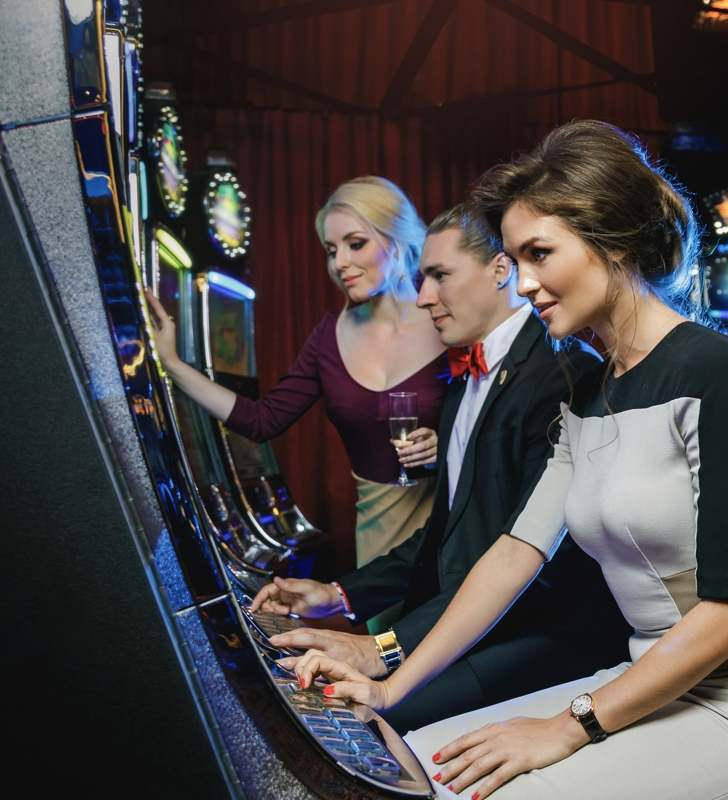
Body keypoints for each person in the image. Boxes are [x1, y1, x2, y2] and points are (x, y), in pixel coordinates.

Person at [289, 121, 728, 800]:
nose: (522, 284)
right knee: (414, 762)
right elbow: (515, 553)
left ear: (610, 240)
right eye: (515, 260)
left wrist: (568, 726)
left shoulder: (715, 369)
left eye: (539, 254)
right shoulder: (584, 387)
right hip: (644, 682)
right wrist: (390, 686)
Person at [249, 204, 630, 734]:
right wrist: (339, 594)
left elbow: (540, 566)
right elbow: (450, 536)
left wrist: (384, 648)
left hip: (542, 636)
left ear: (501, 270)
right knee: (316, 704)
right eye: (423, 278)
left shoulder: (563, 377)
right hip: (465, 626)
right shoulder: (462, 384)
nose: (423, 296)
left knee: (356, 724)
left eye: (439, 276)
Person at [146, 176, 447, 585]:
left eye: (355, 244)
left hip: (454, 525)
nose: (340, 262)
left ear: (395, 241)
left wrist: (445, 443)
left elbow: (500, 417)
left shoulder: (449, 319)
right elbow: (262, 420)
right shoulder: (328, 337)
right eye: (331, 250)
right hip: (380, 540)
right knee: (390, 642)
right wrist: (175, 365)